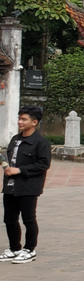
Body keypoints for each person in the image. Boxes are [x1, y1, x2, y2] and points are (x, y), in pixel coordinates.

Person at [2, 105, 51, 264]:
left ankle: (30, 249)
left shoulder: (40, 142)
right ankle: (14, 248)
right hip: (10, 186)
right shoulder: (15, 139)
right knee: (9, 219)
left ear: (34, 122)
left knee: (28, 219)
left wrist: (20, 170)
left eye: (24, 119)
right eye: (19, 118)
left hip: (28, 186)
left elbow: (43, 164)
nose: (20, 122)